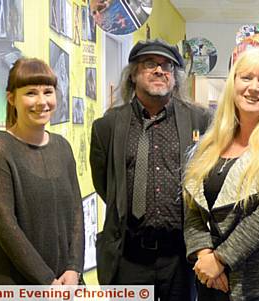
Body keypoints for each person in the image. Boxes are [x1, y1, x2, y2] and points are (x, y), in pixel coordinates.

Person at [90, 39, 211, 301]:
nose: (160, 70)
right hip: (128, 256)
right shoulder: (107, 126)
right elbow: (106, 185)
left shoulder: (199, 120)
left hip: (180, 256)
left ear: (175, 77)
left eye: (167, 65)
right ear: (133, 74)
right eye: (150, 64)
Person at [183, 47, 259, 301]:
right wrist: (203, 254)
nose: (254, 87)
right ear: (233, 83)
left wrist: (220, 259)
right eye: (246, 77)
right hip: (213, 282)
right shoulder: (209, 145)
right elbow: (193, 208)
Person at [0, 58, 84, 284]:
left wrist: (74, 268)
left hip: (64, 283)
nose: (42, 102)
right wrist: (47, 281)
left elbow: (76, 211)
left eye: (48, 91)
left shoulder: (63, 147)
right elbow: (4, 224)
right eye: (30, 93)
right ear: (11, 98)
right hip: (15, 284)